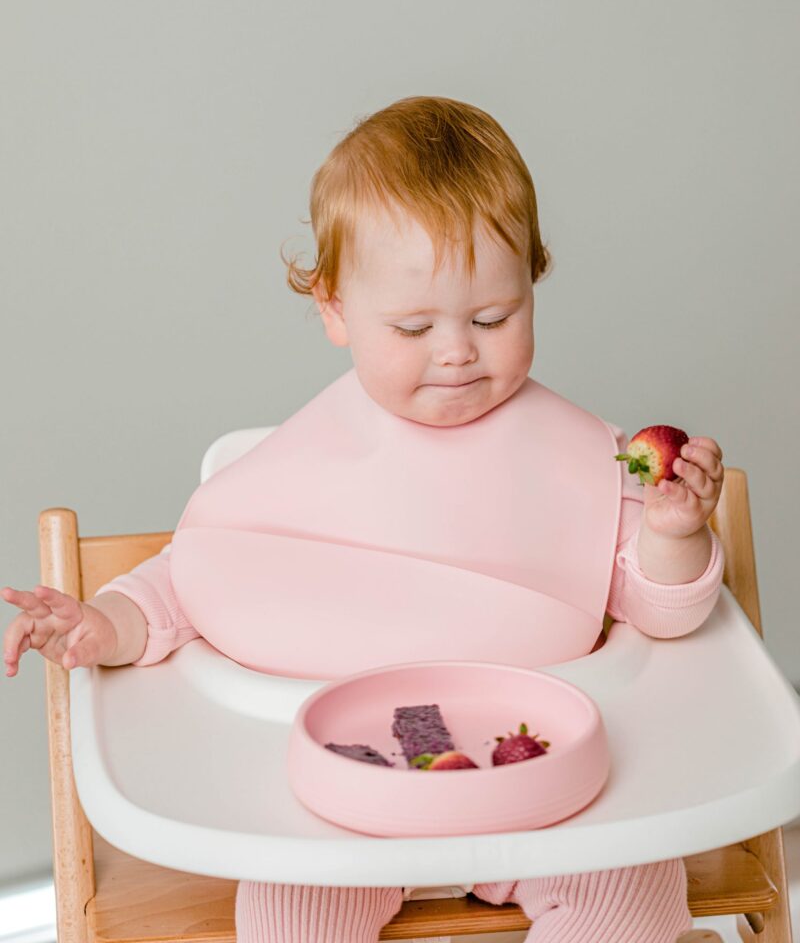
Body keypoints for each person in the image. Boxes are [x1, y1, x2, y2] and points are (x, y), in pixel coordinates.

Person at [3, 96, 725, 943]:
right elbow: (197, 579)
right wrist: (104, 624)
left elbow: (660, 613)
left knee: (634, 892)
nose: (457, 350)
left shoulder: (577, 453)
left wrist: (674, 537)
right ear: (335, 308)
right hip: (343, 800)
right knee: (286, 911)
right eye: (414, 326)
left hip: (545, 788)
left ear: (535, 280)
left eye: (493, 318)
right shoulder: (295, 469)